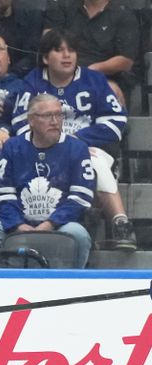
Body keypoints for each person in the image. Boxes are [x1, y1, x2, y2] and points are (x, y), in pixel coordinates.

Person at [10, 29, 135, 251]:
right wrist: (60, 144)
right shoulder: (33, 81)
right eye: (59, 50)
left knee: (92, 163)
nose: (67, 55)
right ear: (46, 58)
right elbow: (22, 122)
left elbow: (116, 122)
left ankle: (120, 223)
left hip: (90, 148)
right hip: (43, 151)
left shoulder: (94, 80)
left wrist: (77, 141)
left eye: (71, 50)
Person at [0, 94, 95, 269]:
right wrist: (18, 225)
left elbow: (81, 197)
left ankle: (72, 286)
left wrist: (50, 224)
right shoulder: (12, 147)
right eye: (47, 116)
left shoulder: (77, 148)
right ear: (31, 120)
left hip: (60, 225)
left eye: (58, 114)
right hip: (18, 223)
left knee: (77, 234)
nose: (55, 121)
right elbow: (3, 194)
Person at [43, 0, 139, 107]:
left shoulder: (124, 14)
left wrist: (88, 73)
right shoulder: (62, 7)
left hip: (103, 78)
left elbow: (125, 60)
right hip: (60, 76)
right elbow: (47, 44)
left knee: (111, 90)